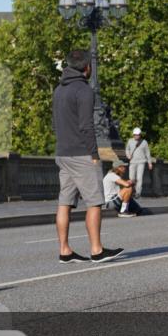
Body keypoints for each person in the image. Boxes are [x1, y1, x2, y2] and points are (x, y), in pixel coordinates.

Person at [52, 49, 123, 263]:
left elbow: (55, 124)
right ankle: (96, 249)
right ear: (87, 68)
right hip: (82, 153)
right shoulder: (83, 90)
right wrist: (94, 154)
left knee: (65, 202)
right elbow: (86, 126)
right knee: (94, 202)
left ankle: (64, 250)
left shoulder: (58, 90)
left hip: (63, 153)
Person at [125, 128, 153, 198]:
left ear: (140, 135)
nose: (136, 136)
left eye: (138, 135)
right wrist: (128, 155)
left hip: (141, 162)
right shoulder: (130, 141)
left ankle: (138, 192)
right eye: (135, 135)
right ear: (133, 135)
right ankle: (132, 191)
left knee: (139, 178)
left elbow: (147, 153)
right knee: (131, 178)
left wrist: (149, 163)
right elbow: (127, 149)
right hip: (132, 162)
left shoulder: (144, 142)